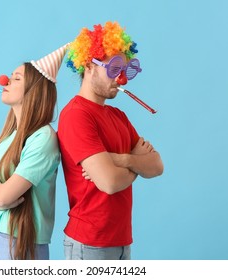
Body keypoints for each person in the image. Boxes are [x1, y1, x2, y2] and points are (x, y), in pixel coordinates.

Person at [57, 21, 164, 260]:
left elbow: (157, 166)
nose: (122, 79)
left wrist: (121, 159)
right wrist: (137, 164)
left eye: (126, 70)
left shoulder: (119, 116)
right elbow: (109, 182)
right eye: (114, 68)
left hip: (122, 240)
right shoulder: (76, 115)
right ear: (88, 65)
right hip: (89, 243)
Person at [0, 44, 68, 260]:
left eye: (16, 78)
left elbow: (3, 196)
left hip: (21, 244)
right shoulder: (7, 135)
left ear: (34, 90)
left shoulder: (43, 139)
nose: (4, 80)